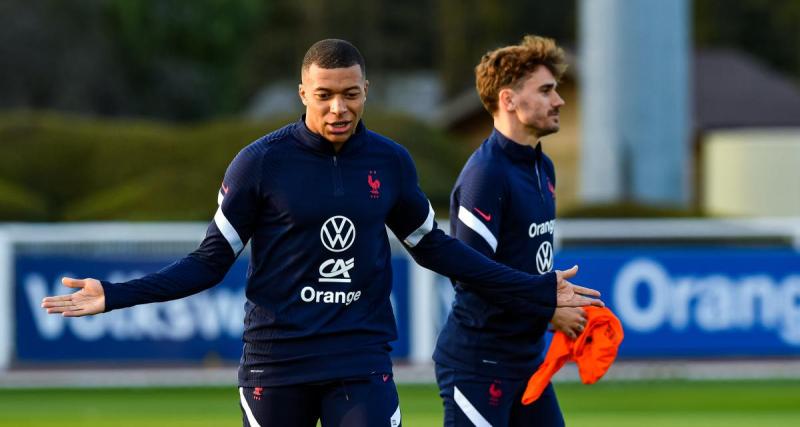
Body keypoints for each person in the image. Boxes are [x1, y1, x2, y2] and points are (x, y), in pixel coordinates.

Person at [41, 38, 601, 427]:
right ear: (303, 93)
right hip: (276, 363)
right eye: (325, 95)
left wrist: (536, 289)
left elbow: (436, 249)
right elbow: (208, 262)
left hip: (358, 359)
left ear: (366, 91)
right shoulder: (260, 164)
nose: (339, 108)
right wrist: (115, 294)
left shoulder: (390, 162)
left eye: (351, 94)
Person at [433, 35, 584, 426]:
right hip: (478, 362)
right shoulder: (486, 175)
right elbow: (471, 275)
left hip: (526, 359)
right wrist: (547, 307)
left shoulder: (541, 166)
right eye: (546, 90)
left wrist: (549, 310)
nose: (559, 100)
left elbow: (522, 265)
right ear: (509, 100)